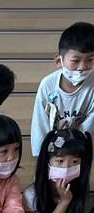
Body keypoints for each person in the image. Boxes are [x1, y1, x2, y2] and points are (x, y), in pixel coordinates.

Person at [31, 22, 94, 156]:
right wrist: (41, 155)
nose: (82, 67)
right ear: (59, 61)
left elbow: (89, 126)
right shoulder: (48, 85)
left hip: (79, 150)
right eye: (75, 61)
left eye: (90, 60)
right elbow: (40, 124)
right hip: (52, 150)